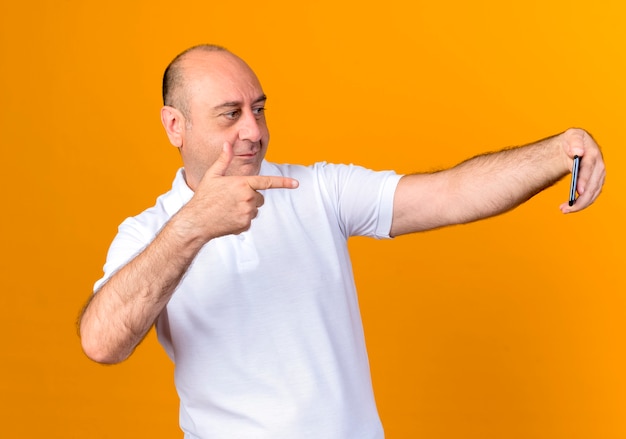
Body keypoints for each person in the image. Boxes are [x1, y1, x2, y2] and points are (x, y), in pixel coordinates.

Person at [79, 44, 606, 438]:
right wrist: (194, 225)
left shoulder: (318, 190)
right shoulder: (151, 232)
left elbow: (451, 194)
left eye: (258, 109)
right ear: (175, 126)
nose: (254, 131)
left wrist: (558, 151)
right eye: (229, 114)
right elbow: (102, 343)